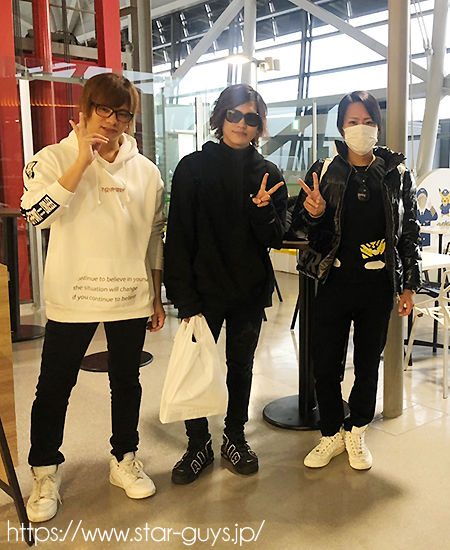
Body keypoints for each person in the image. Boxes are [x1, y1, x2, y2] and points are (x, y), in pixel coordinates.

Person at [20, 73, 166, 522]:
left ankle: (124, 458)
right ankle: (45, 470)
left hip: (128, 295)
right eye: (104, 109)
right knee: (55, 385)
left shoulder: (147, 171)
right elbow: (35, 215)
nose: (114, 121)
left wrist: (156, 295)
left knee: (126, 381)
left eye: (123, 113)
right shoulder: (51, 158)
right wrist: (82, 162)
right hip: (73, 295)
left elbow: (153, 237)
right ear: (83, 111)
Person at [289, 90, 420, 470]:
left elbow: (409, 232)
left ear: (377, 126)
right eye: (352, 121)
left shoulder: (396, 174)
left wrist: (409, 284)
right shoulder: (324, 170)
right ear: (341, 127)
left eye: (367, 121)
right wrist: (313, 213)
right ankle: (330, 432)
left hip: (377, 287)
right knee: (325, 364)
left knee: (367, 364)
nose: (361, 128)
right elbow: (301, 231)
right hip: (332, 282)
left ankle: (357, 430)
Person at [164, 84, 287, 484]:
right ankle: (197, 442)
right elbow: (178, 236)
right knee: (196, 368)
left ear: (259, 125)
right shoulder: (192, 168)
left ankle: (234, 436)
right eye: (234, 114)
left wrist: (263, 211)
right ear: (220, 118)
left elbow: (276, 238)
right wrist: (182, 296)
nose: (241, 123)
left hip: (248, 290)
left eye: (251, 117)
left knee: (241, 367)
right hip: (202, 292)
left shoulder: (269, 174)